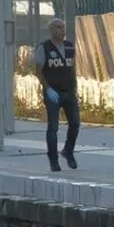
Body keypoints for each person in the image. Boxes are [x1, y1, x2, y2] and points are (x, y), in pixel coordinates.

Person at [33, 17, 80, 172]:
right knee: (53, 127)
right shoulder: (44, 48)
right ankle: (53, 160)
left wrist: (75, 87)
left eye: (63, 27)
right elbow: (38, 72)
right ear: (52, 30)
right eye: (59, 27)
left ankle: (68, 151)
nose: (62, 30)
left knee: (75, 123)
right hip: (53, 92)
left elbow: (72, 68)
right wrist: (48, 89)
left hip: (69, 91)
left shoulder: (69, 47)